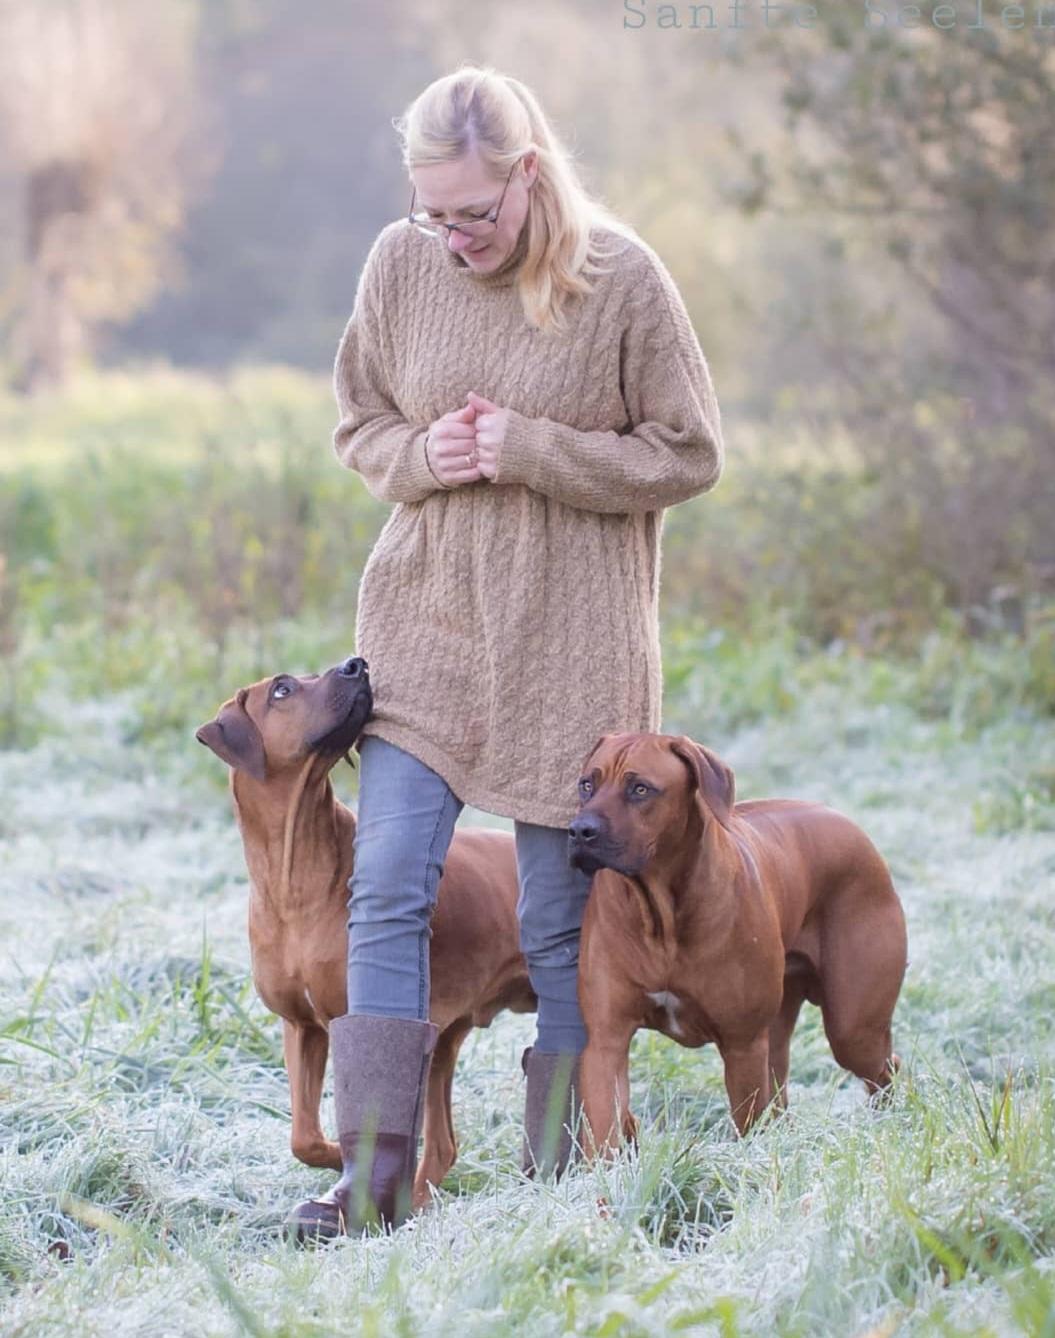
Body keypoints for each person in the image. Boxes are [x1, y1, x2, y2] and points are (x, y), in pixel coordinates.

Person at [288, 63, 725, 1240]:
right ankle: (373, 1181)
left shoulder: (620, 280)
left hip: (570, 650)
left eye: (472, 214)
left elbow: (687, 454)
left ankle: (556, 1174)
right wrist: (427, 454)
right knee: (382, 886)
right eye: (432, 212)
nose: (452, 237)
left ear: (527, 176)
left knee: (552, 925)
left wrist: (531, 447)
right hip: (423, 629)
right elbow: (357, 426)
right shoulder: (399, 263)